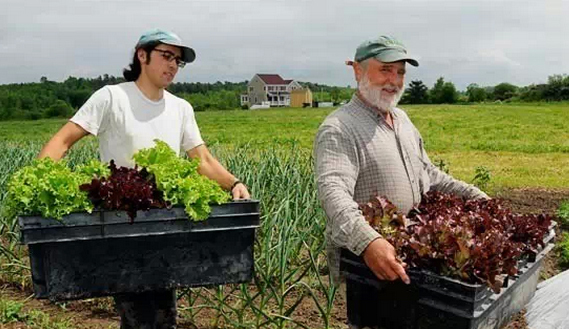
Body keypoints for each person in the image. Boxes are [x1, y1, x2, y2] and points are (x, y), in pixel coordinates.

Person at [38, 28, 250, 329]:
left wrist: (234, 183)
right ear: (142, 55)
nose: (173, 65)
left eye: (178, 60)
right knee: (137, 314)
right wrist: (39, 183)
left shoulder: (181, 108)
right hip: (122, 224)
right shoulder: (112, 97)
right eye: (166, 56)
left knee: (165, 313)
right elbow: (63, 141)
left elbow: (201, 159)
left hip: (165, 224)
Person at [314, 35, 488, 327]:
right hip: (372, 266)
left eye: (401, 72)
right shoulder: (339, 128)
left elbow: (429, 174)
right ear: (358, 70)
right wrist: (369, 241)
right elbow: (333, 193)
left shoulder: (403, 120)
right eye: (385, 69)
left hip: (411, 253)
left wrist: (477, 196)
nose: (394, 80)